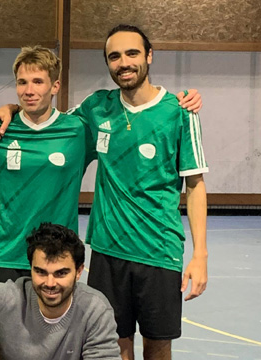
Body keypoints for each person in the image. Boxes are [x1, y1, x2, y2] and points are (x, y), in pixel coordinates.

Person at [73, 24, 209, 360]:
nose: (124, 62)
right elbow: (49, 123)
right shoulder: (96, 108)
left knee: (158, 345)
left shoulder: (180, 112)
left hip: (159, 252)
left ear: (149, 56)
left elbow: (194, 186)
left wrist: (200, 254)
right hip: (108, 251)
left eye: (132, 53)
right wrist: (11, 109)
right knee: (112, 344)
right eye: (114, 56)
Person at [0, 45, 94, 285]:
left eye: (38, 81)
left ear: (55, 86)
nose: (29, 91)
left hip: (57, 263)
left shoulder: (78, 130)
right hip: (7, 256)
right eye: (22, 82)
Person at [0, 223, 120, 359]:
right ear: (30, 268)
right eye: (40, 272)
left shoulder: (95, 310)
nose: (50, 283)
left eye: (61, 273)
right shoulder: (5, 298)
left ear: (79, 271)